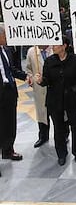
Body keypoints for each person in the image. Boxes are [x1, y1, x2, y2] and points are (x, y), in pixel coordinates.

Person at [35, 36, 76, 166]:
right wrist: (41, 81)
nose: (53, 46)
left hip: (72, 100)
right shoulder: (49, 61)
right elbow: (47, 80)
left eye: (56, 44)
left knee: (75, 126)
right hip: (54, 100)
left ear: (64, 46)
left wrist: (73, 90)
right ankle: (61, 154)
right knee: (58, 128)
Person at [0, 23, 27, 164]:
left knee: (10, 121)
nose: (6, 38)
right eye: (4, 35)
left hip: (9, 90)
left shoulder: (7, 50)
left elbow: (13, 69)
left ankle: (8, 149)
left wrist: (26, 76)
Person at [26, 45, 53, 148]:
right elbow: (29, 69)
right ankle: (43, 136)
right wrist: (31, 78)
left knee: (58, 113)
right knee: (42, 113)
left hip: (54, 87)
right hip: (40, 89)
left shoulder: (55, 48)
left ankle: (64, 135)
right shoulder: (31, 52)